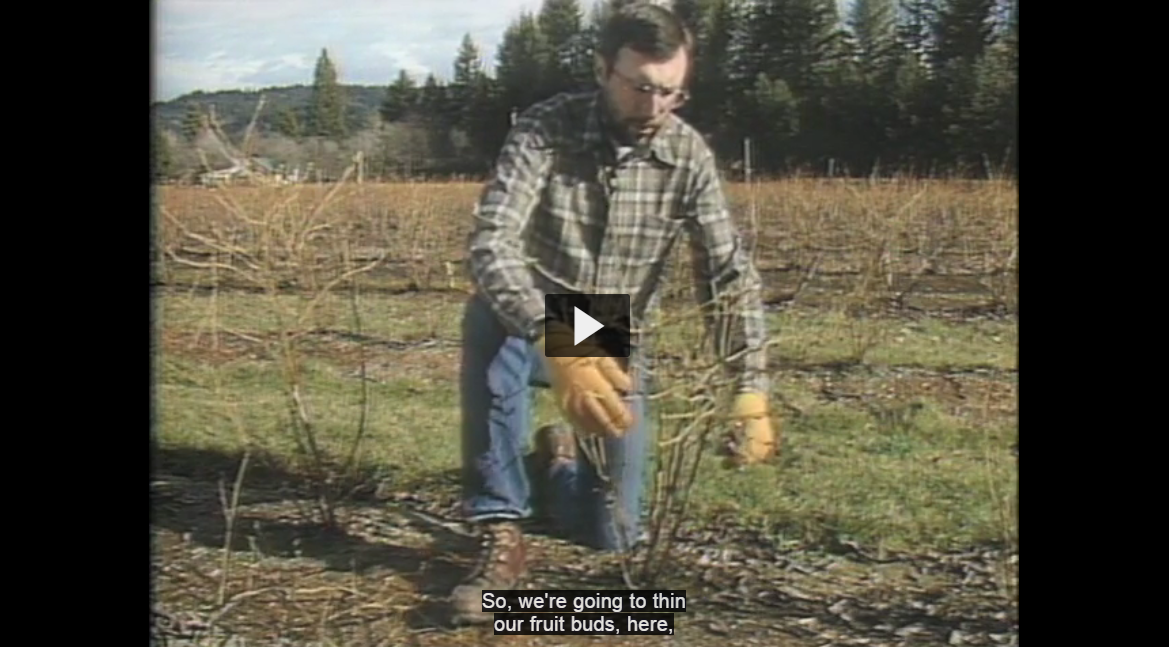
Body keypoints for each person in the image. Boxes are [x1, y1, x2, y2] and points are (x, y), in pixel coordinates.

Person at [449, 2, 776, 625]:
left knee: (614, 532)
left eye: (671, 92)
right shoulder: (545, 129)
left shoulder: (688, 159)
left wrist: (750, 390)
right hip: (530, 306)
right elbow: (491, 245)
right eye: (641, 88)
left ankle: (557, 463)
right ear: (603, 69)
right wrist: (553, 335)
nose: (655, 107)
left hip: (606, 323)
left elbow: (728, 276)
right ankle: (498, 528)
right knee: (490, 341)